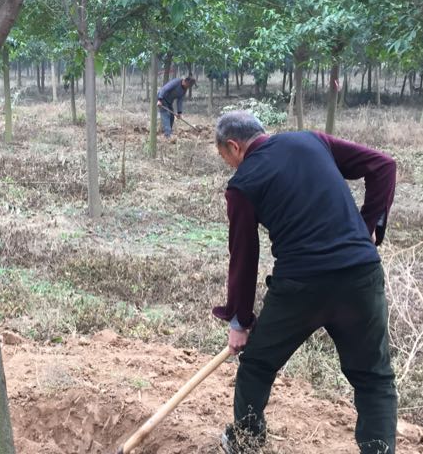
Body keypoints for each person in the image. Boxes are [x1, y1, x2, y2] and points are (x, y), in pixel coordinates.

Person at [213, 111, 397, 454]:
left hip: (301, 287)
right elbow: (384, 165)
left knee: (256, 365)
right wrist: (366, 226)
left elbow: (243, 256)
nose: (229, 166)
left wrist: (240, 320)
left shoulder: (242, 185)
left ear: (233, 146)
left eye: (224, 157)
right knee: (374, 378)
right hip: (360, 277)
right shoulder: (312, 140)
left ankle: (247, 443)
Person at [156, 75, 195, 139]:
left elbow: (180, 100)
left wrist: (179, 112)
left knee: (172, 117)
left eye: (189, 86)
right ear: (185, 81)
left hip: (169, 101)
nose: (188, 87)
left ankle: (168, 133)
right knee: (166, 115)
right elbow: (164, 89)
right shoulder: (176, 82)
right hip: (162, 98)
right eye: (188, 85)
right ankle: (167, 135)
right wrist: (160, 100)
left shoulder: (184, 89)